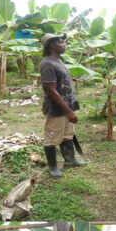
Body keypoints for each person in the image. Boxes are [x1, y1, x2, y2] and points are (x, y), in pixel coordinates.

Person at [39, 33, 88, 178]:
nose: (64, 44)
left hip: (66, 106)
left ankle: (70, 160)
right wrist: (68, 111)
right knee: (52, 136)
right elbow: (51, 90)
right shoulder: (47, 63)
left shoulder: (58, 61)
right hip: (56, 108)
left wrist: (70, 108)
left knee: (67, 134)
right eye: (60, 42)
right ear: (51, 45)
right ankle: (52, 167)